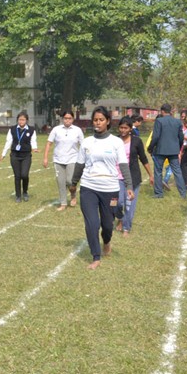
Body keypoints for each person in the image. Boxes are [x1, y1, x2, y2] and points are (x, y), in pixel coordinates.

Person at [70, 106, 133, 270]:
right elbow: (79, 164)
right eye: (95, 120)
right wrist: (73, 183)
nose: (97, 123)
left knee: (107, 224)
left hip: (110, 189)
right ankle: (96, 256)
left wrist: (129, 185)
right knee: (92, 224)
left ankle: (107, 241)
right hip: (89, 187)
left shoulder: (116, 142)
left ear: (108, 122)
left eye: (101, 120)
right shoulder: (87, 142)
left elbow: (123, 165)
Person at [116, 116, 153, 236]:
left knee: (129, 204)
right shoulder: (114, 141)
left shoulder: (136, 141)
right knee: (117, 202)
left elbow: (143, 158)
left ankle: (126, 228)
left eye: (125, 128)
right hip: (116, 176)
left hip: (132, 177)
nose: (123, 130)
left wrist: (151, 175)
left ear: (130, 129)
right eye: (121, 127)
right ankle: (120, 218)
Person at [42, 110, 83, 211]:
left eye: (69, 118)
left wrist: (85, 159)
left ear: (73, 119)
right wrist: (45, 157)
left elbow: (83, 145)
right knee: (60, 182)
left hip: (73, 159)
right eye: (65, 118)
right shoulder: (56, 129)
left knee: (70, 181)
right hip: (58, 159)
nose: (67, 120)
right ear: (62, 119)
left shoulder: (77, 130)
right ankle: (63, 203)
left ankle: (73, 194)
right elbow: (49, 143)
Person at [147, 103, 186, 199]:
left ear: (162, 111)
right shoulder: (177, 122)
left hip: (160, 150)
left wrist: (151, 147)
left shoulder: (159, 121)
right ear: (171, 111)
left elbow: (155, 136)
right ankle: (183, 194)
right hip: (173, 150)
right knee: (177, 172)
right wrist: (179, 147)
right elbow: (181, 137)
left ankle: (159, 193)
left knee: (158, 171)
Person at [0, 111, 38, 202]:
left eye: (23, 120)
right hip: (15, 155)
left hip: (26, 155)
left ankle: (25, 192)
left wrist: (35, 148)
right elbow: (8, 142)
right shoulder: (12, 129)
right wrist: (3, 154)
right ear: (17, 120)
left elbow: (33, 141)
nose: (21, 122)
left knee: (24, 175)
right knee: (17, 176)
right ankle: (18, 195)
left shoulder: (31, 130)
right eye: (19, 120)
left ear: (26, 120)